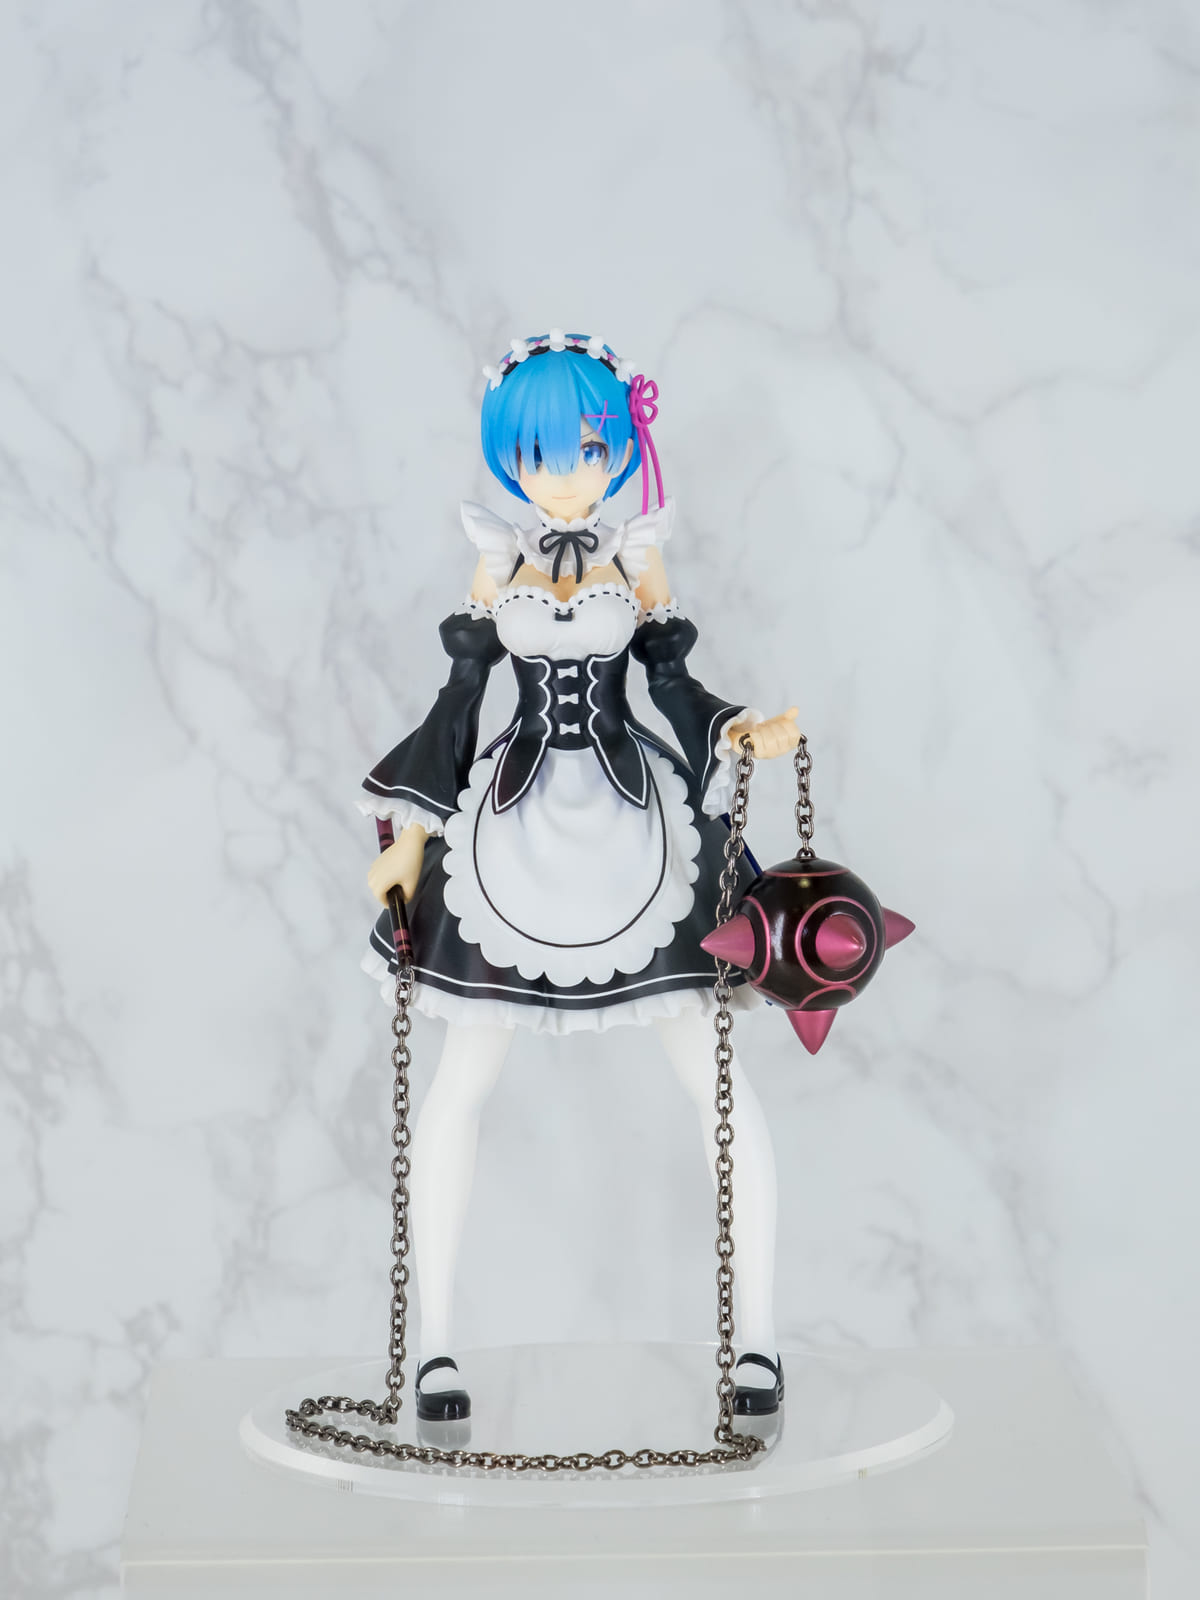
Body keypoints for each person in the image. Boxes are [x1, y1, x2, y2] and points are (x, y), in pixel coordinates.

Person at [359, 331, 799, 1421]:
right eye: (541, 453)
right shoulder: (496, 558)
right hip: (507, 834)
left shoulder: (637, 554)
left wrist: (736, 732)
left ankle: (757, 1338)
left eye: (589, 449)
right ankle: (435, 1348)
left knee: (715, 1077)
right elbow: (460, 702)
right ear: (510, 457)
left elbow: (674, 686)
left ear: (620, 447)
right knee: (461, 1082)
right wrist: (411, 832)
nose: (566, 476)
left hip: (637, 832)